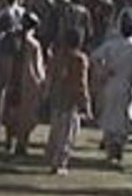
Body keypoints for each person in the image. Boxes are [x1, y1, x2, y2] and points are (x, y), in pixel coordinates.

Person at [91, 16, 132, 166]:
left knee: (113, 116)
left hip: (113, 83)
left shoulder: (111, 45)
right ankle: (115, 150)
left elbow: (94, 57)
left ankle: (113, 150)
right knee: (123, 117)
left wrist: (103, 71)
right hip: (128, 86)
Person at [45, 27, 91, 175]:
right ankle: (59, 163)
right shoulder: (80, 59)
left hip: (57, 96)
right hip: (71, 100)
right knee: (67, 133)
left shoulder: (57, 56)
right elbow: (81, 83)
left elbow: (50, 76)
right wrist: (86, 104)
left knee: (56, 130)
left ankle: (51, 156)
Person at [1, 13, 45, 155]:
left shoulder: (12, 39)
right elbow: (37, 67)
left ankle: (10, 141)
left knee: (12, 111)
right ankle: (21, 143)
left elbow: (6, 60)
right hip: (27, 82)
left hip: (13, 78)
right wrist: (41, 81)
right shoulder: (33, 44)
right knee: (25, 114)